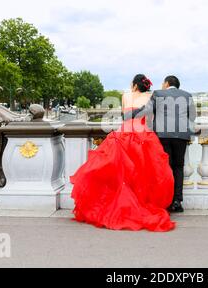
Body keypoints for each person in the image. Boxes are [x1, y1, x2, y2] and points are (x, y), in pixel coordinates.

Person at [70, 74, 176, 232]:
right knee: (142, 173)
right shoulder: (150, 97)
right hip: (143, 135)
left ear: (134, 85)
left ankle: (122, 204)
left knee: (122, 173)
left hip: (124, 134)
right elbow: (149, 119)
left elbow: (125, 117)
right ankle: (139, 202)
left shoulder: (125, 96)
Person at [141, 76, 196, 213]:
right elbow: (193, 116)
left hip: (163, 135)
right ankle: (177, 201)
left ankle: (166, 200)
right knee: (178, 167)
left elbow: (147, 110)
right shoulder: (187, 95)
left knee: (166, 167)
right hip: (181, 135)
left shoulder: (159, 94)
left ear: (167, 83)